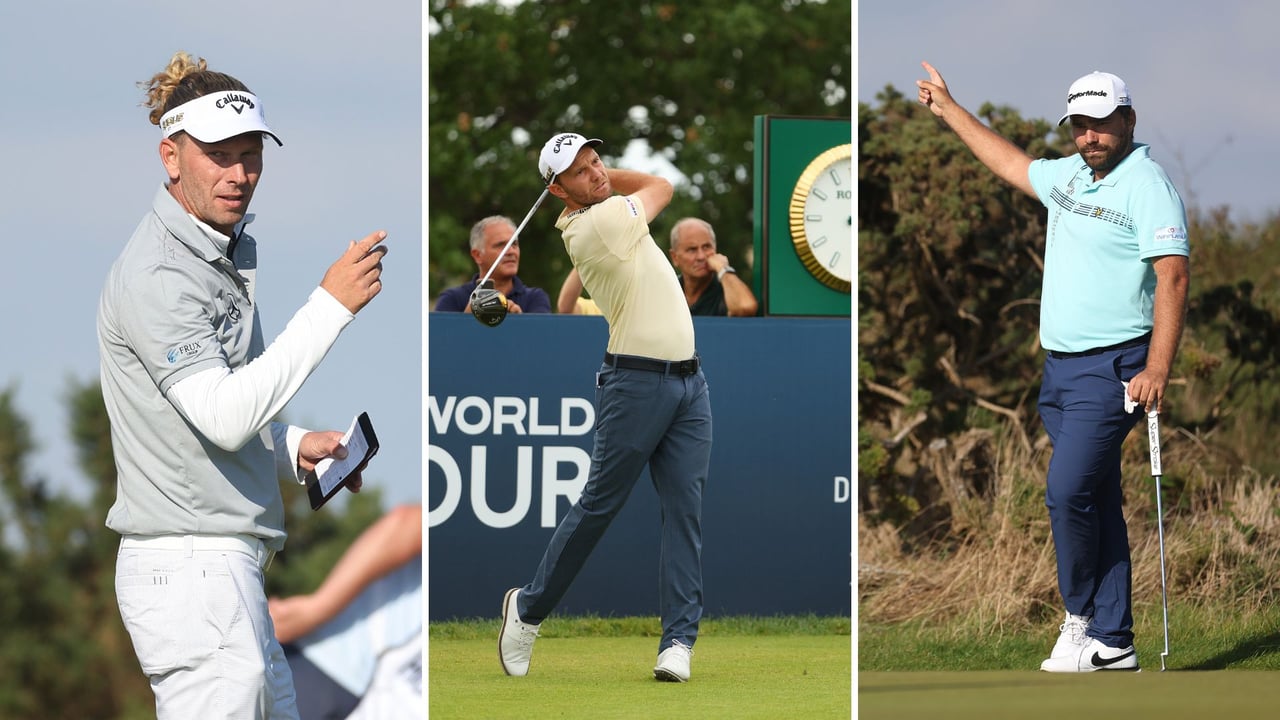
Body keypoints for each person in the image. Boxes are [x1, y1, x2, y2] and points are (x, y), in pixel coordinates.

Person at [98, 51, 387, 718]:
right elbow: (224, 417)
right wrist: (330, 307)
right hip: (191, 570)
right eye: (218, 155)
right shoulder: (159, 274)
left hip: (221, 570)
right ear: (170, 157)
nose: (240, 174)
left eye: (251, 153)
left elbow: (217, 411)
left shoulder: (216, 252)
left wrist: (290, 447)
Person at [916, 63, 1189, 672]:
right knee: (1094, 496)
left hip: (1115, 366)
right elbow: (1012, 163)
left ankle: (1079, 618)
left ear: (1128, 120)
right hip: (1060, 369)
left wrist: (1159, 370)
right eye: (1080, 127)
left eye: (1101, 125)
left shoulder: (1147, 184)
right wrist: (951, 110)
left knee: (1065, 493)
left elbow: (1173, 275)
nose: (1090, 137)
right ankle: (1115, 643)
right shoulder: (1069, 174)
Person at [499, 132, 713, 683]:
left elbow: (642, 188)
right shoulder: (597, 224)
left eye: (597, 161)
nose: (596, 173)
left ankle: (678, 643)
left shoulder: (606, 210)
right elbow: (662, 184)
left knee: (684, 512)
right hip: (635, 384)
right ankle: (527, 610)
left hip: (690, 384)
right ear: (558, 190)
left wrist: (596, 174)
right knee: (599, 506)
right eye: (581, 171)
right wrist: (610, 180)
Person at [269, 504, 423, 720]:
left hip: (337, 676)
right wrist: (316, 609)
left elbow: (409, 522)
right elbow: (412, 524)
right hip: (327, 662)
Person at [433, 215, 552, 314]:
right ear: (477, 255)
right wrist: (468, 318)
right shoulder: (452, 299)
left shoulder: (535, 298)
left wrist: (518, 321)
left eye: (514, 244)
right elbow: (440, 341)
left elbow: (541, 340)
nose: (511, 251)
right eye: (501, 245)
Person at [668, 217, 759, 316]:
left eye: (706, 247)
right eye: (692, 249)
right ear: (675, 257)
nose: (701, 256)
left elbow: (745, 307)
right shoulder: (667, 291)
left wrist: (723, 269)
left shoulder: (727, 289)